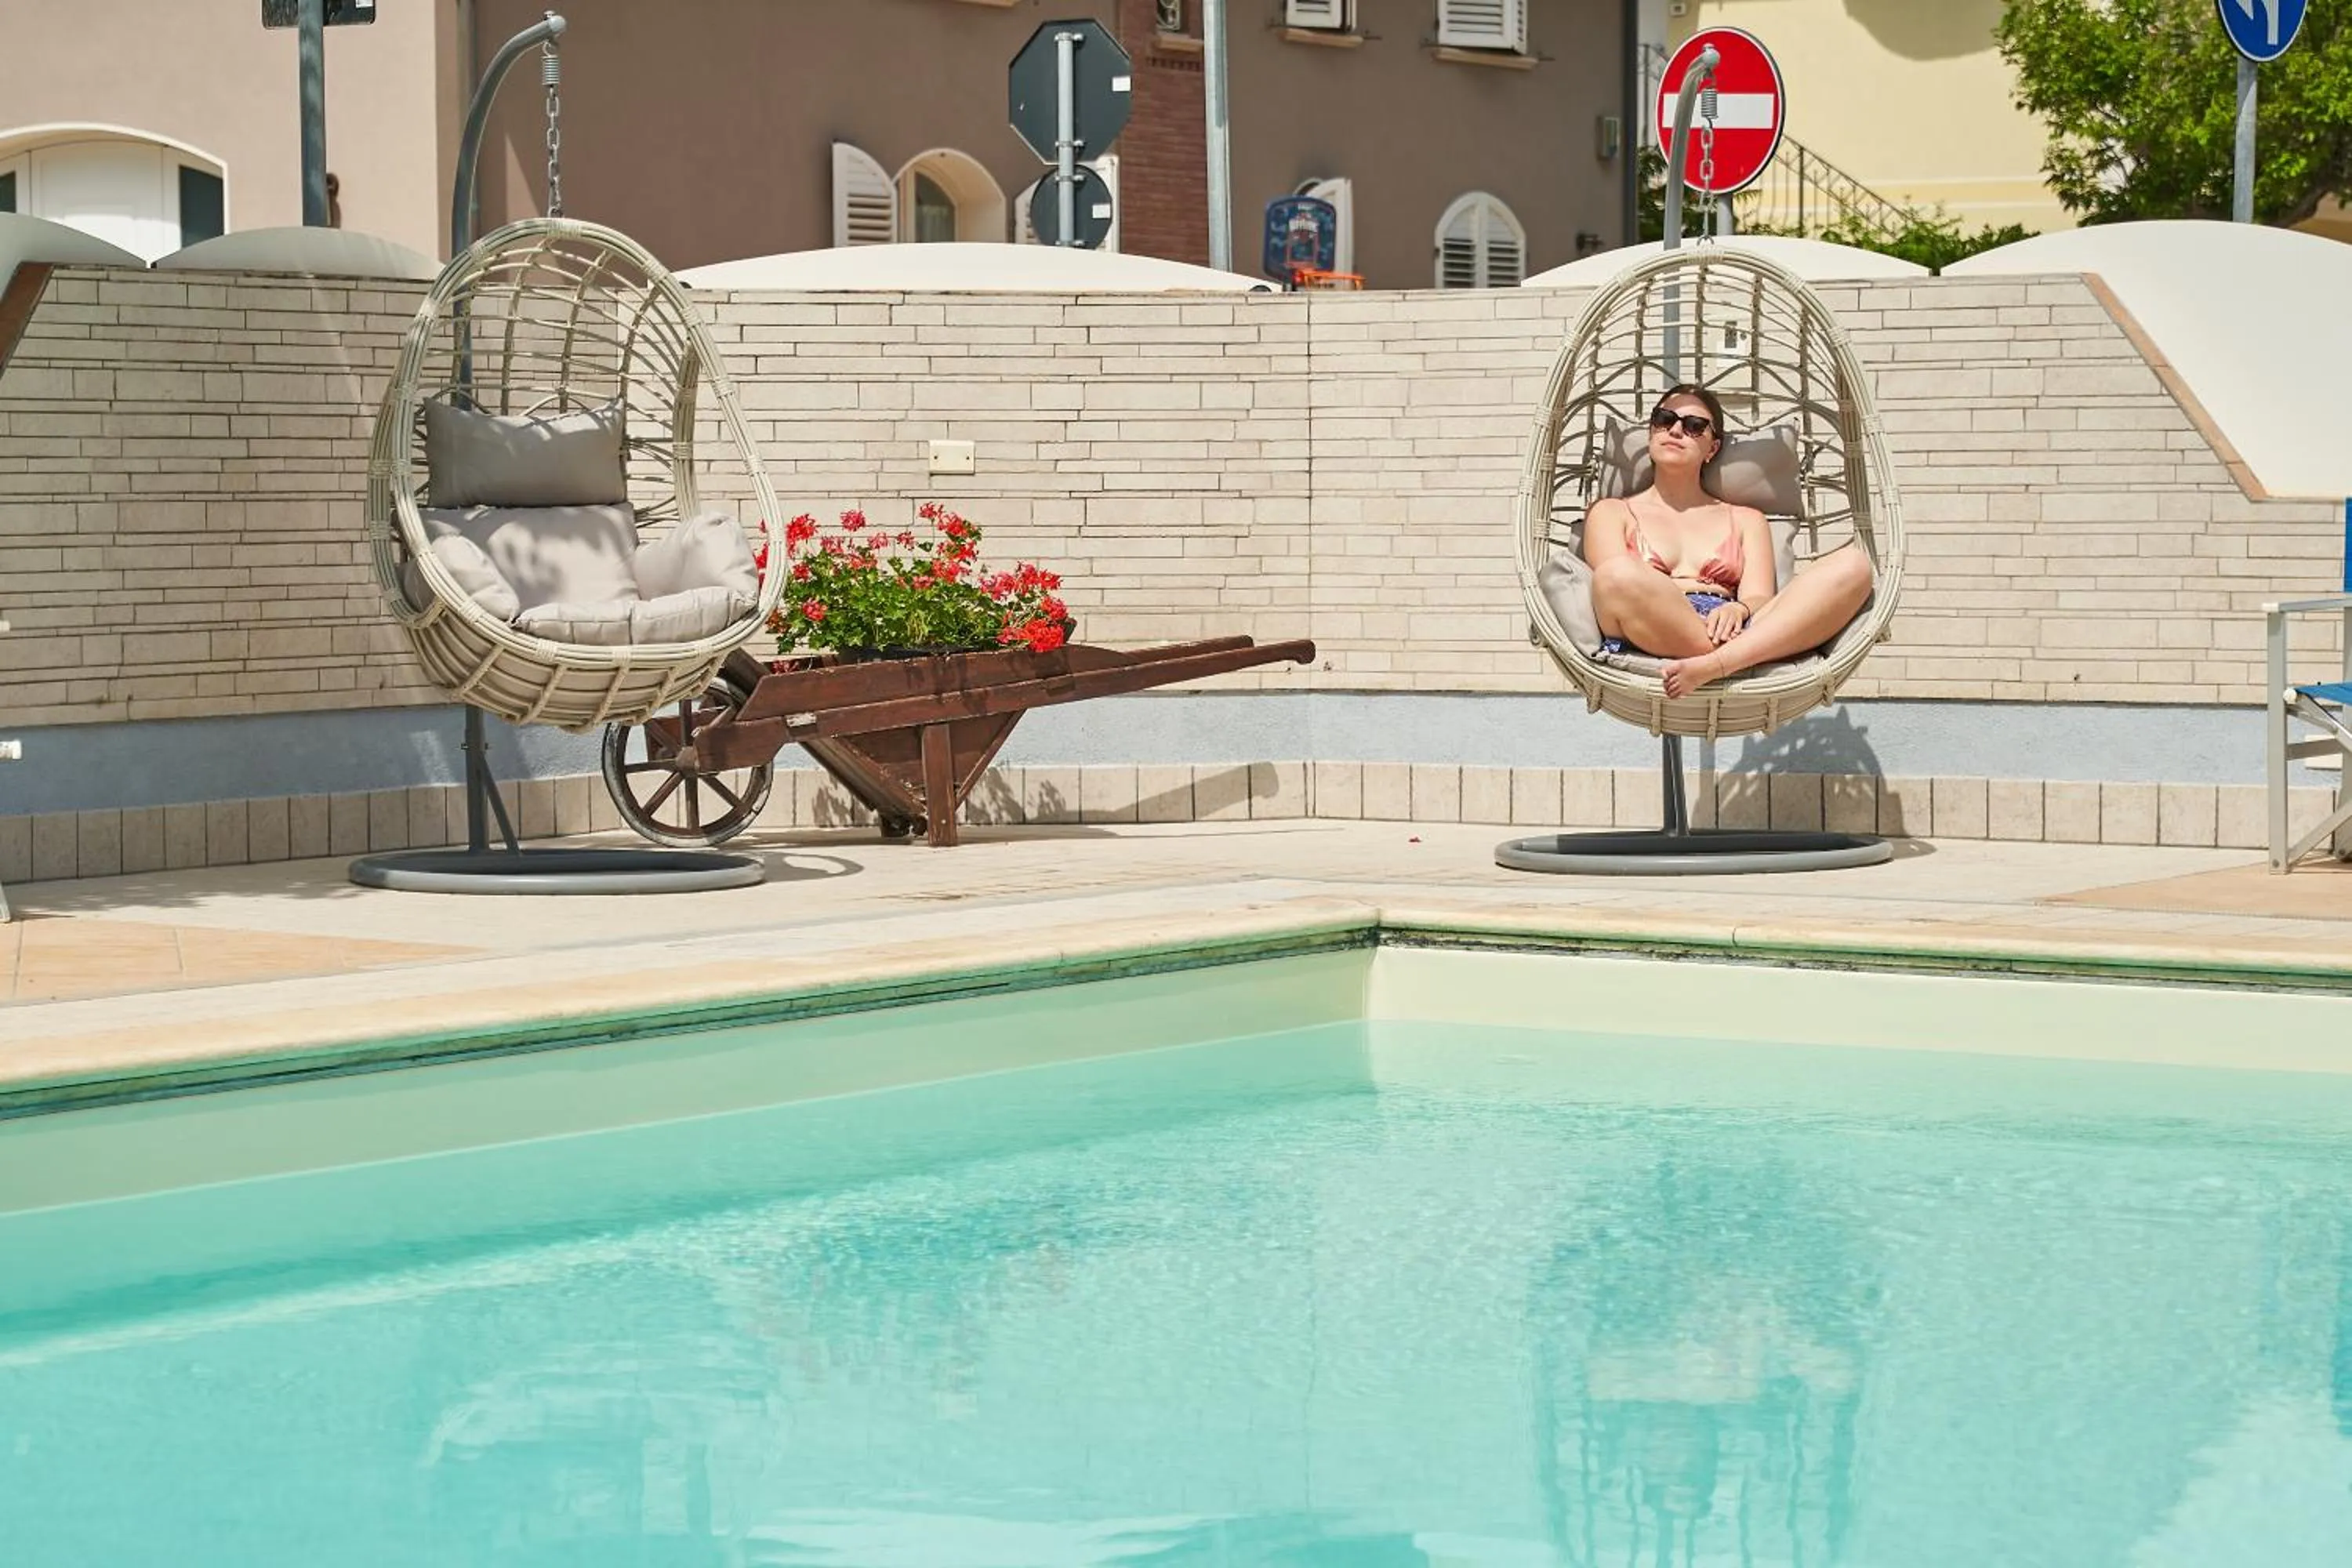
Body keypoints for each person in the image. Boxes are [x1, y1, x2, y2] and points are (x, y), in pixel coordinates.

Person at [1584, 384, 1872, 699]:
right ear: (1652, 430)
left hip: (1736, 630)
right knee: (1617, 575)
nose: (1677, 430)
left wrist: (1739, 608)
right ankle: (1733, 658)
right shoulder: (1612, 512)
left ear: (1712, 448)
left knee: (1854, 565)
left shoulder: (1747, 519)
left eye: (1695, 426)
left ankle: (1716, 664)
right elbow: (1613, 590)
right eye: (1665, 419)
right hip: (1658, 625)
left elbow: (1760, 598)